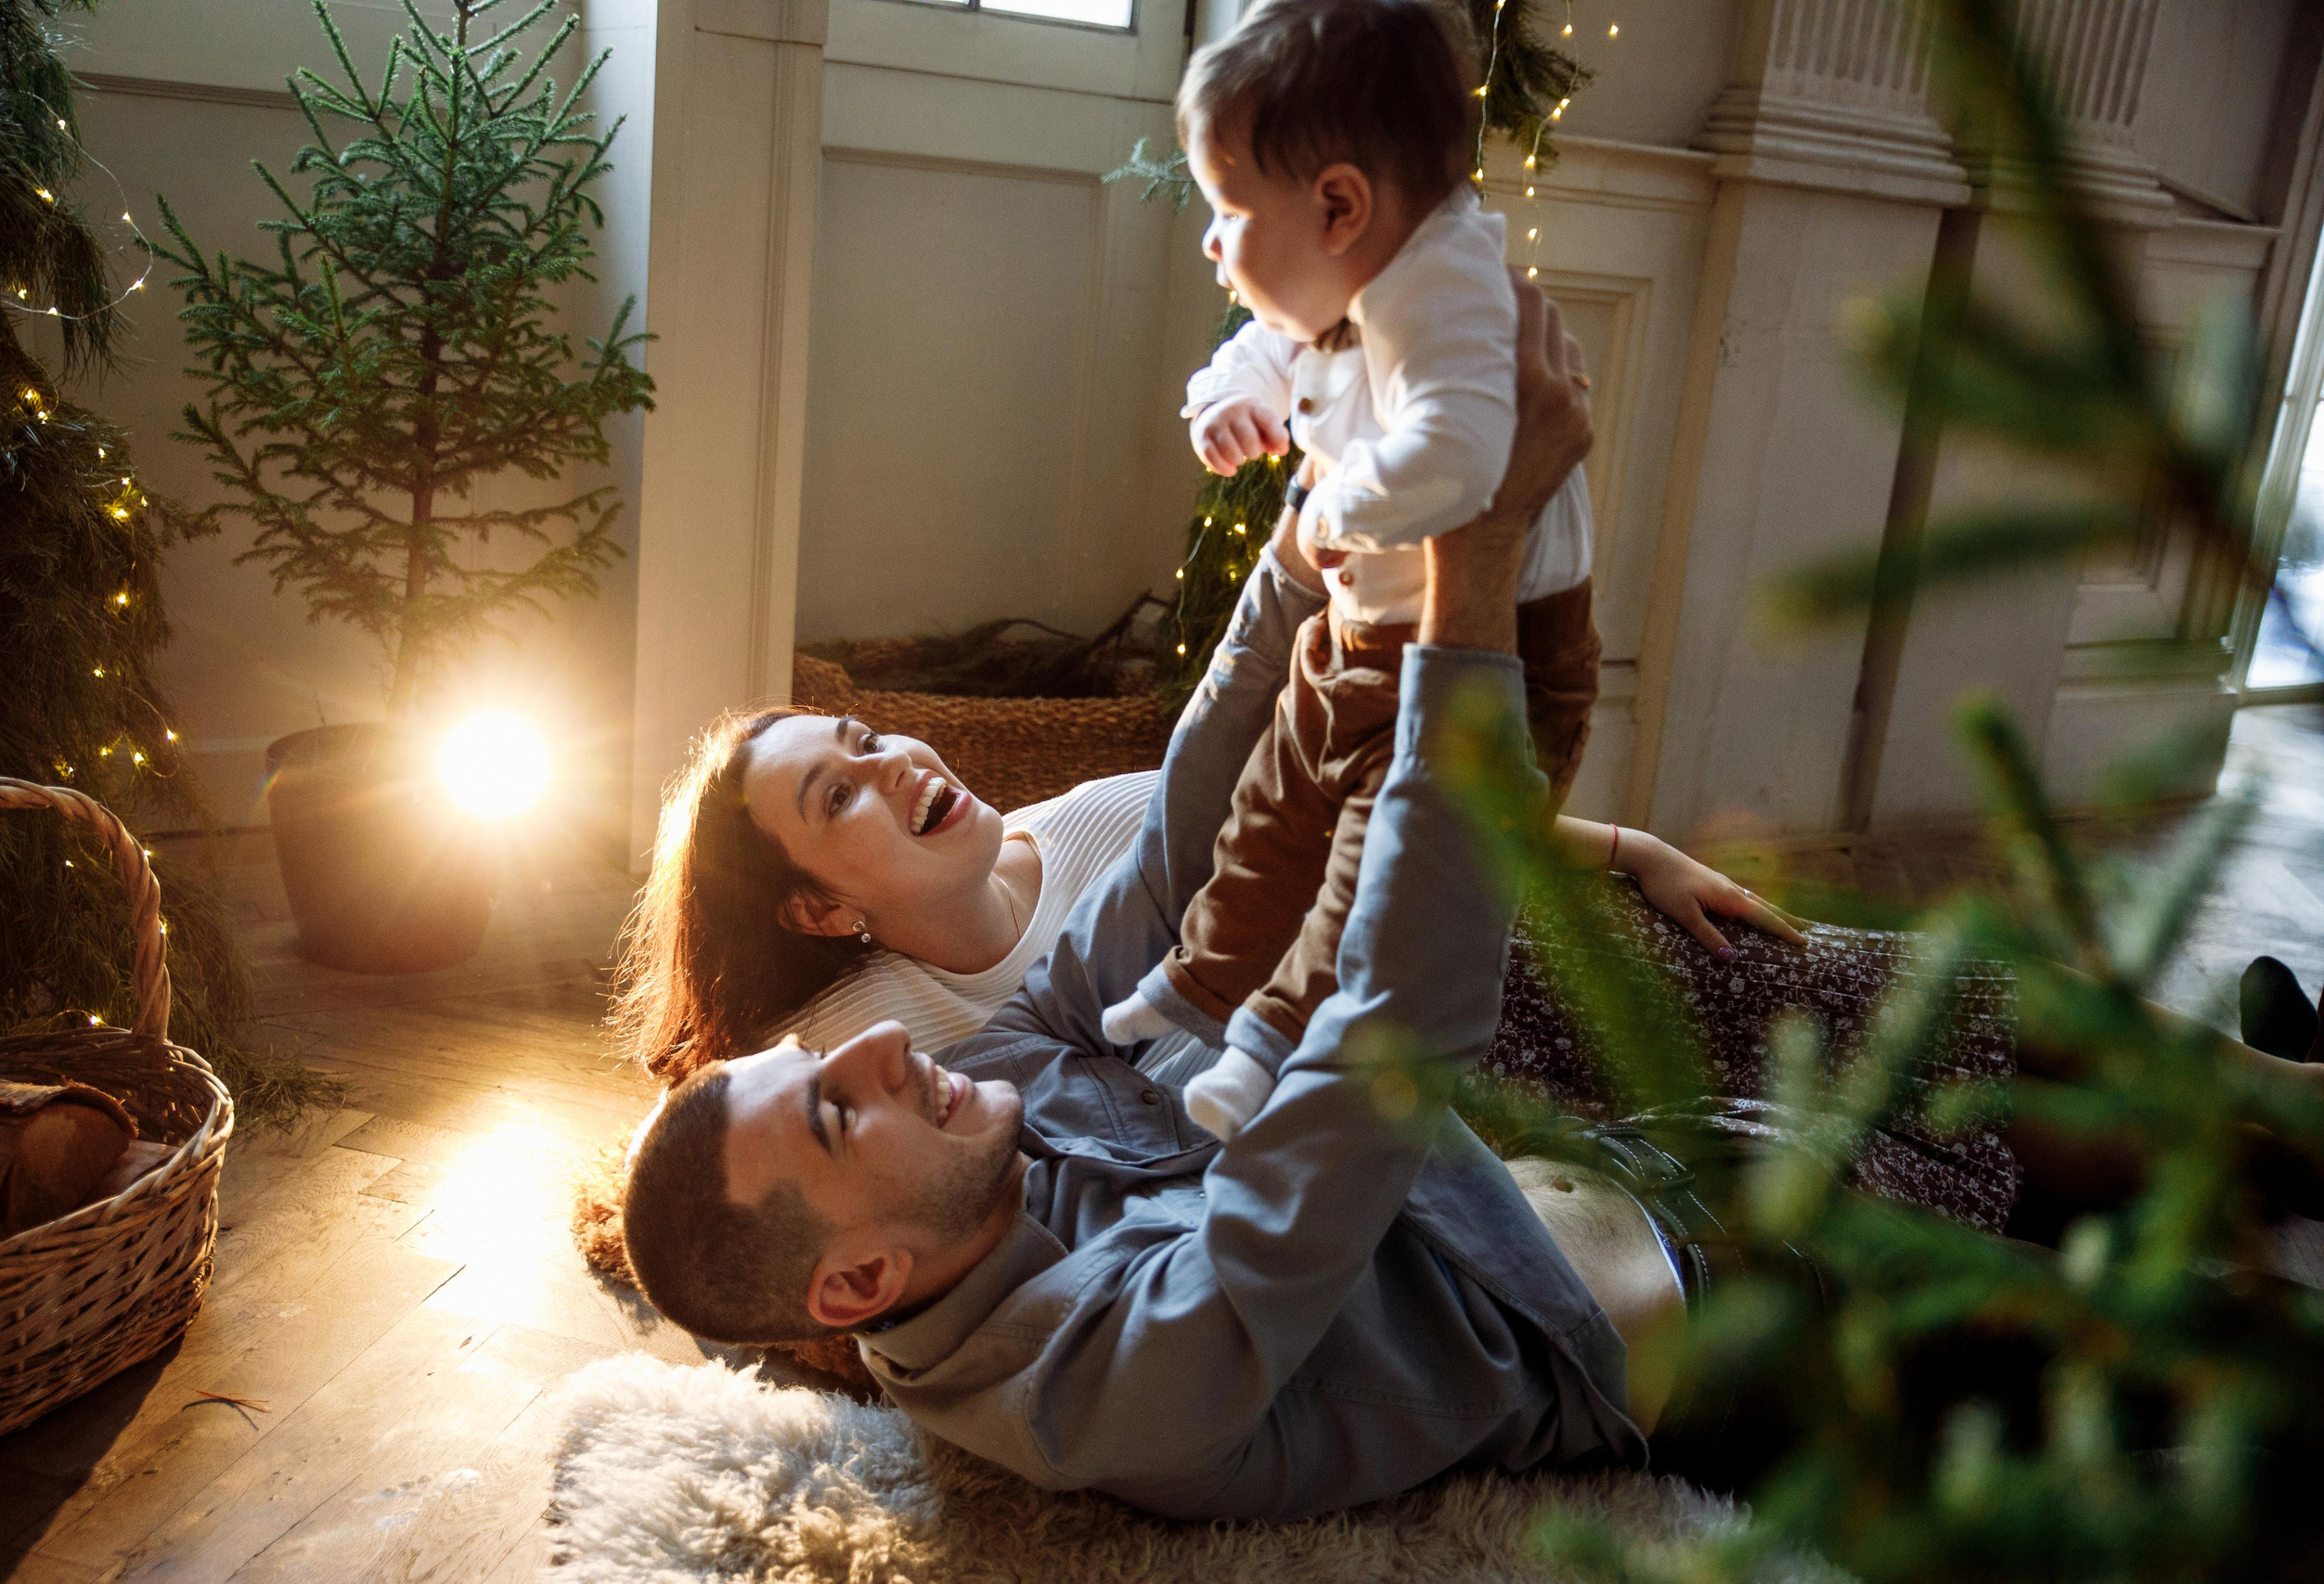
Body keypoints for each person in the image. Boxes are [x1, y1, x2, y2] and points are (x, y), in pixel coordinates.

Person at [621, 282, 1682, 1519]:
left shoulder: (991, 1097)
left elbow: (1175, 855)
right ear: (859, 1281)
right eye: (838, 1111)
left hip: (1579, 1167)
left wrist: (1294, 559)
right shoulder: (1092, 1381)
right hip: (1691, 1328)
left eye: (826, 1064)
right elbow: (1371, 1071)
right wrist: (1488, 576)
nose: (875, 1050)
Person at [1096, 0, 1610, 1140]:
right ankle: (1199, 983)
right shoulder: (1350, 271)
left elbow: (1468, 453)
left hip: (1499, 658)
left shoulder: (1453, 292)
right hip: (1370, 625)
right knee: (1274, 810)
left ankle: (1276, 1035)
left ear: (1339, 206)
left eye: (1228, 212)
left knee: (1371, 868)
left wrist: (1335, 497)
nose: (1211, 242)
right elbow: (1277, 341)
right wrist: (1234, 396)